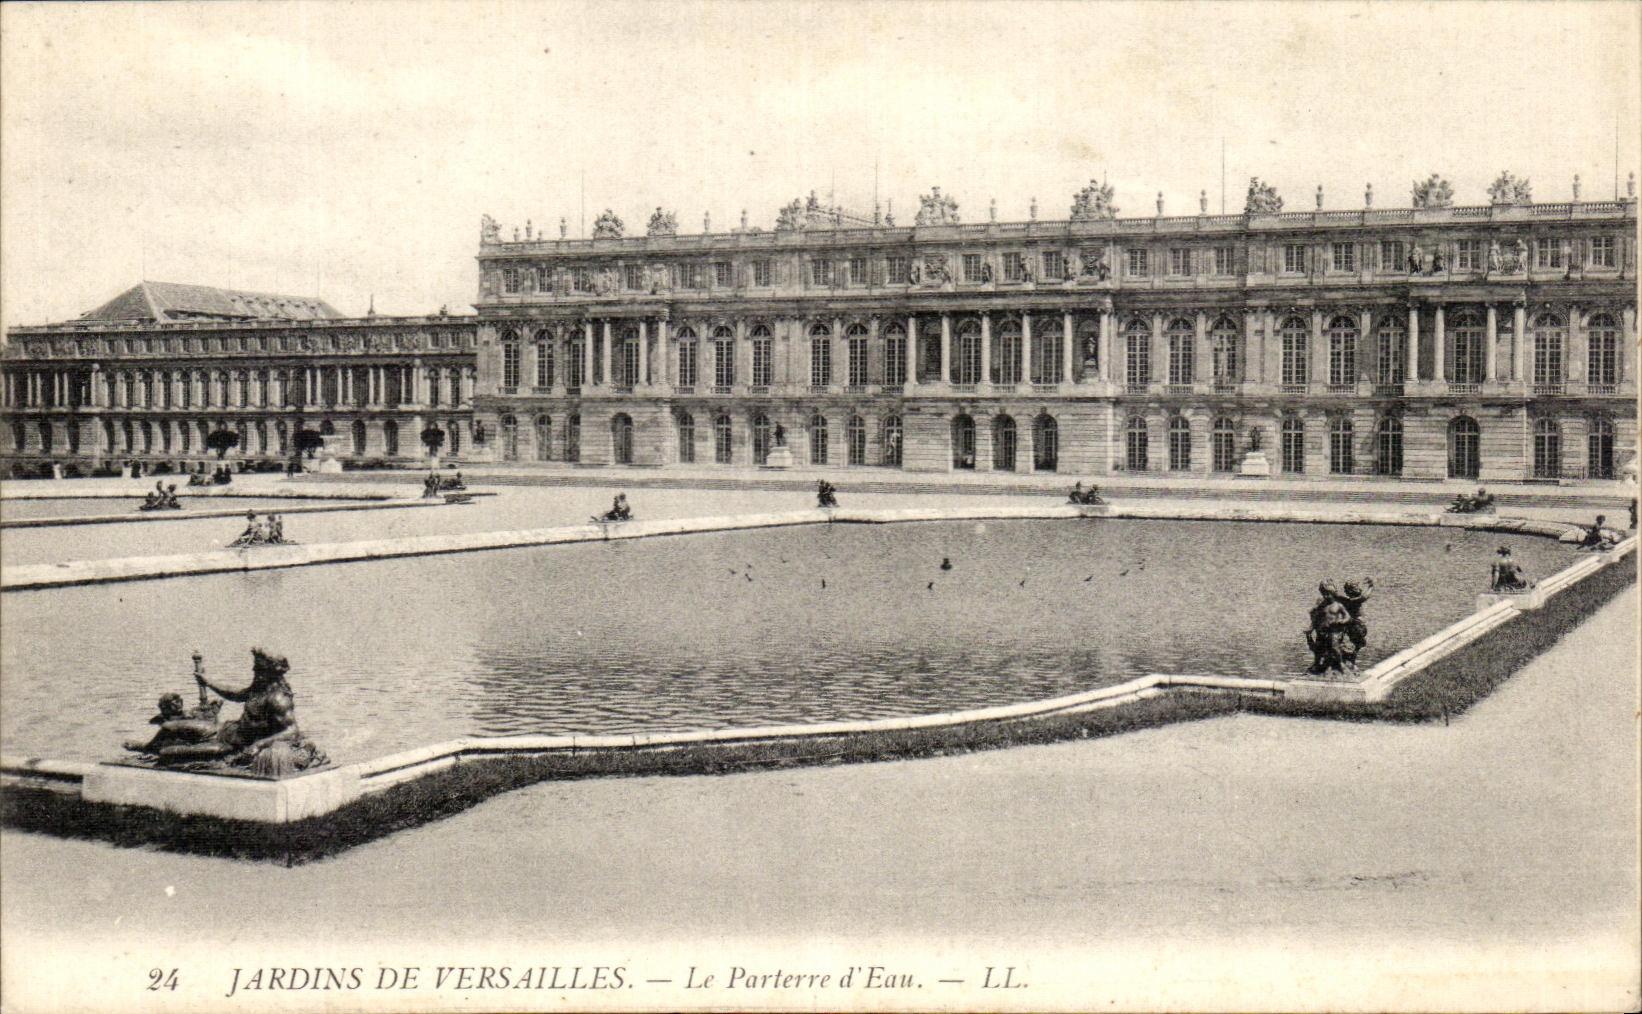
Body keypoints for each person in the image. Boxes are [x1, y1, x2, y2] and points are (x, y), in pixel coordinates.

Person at [148, 650, 308, 770]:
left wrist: (258, 745)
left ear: (271, 672)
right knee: (168, 726)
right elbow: (234, 694)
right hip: (223, 730)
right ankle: (147, 747)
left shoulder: (278, 699)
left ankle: (155, 751)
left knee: (167, 753)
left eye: (258, 668)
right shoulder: (258, 689)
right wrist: (207, 682)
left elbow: (292, 730)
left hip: (230, 746)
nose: (253, 670)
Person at [1337, 579, 1374, 657]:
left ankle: (1345, 648)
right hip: (1356, 626)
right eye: (1356, 587)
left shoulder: (1347, 600)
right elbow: (1364, 597)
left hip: (1355, 626)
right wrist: (1371, 587)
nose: (1359, 589)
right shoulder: (1353, 601)